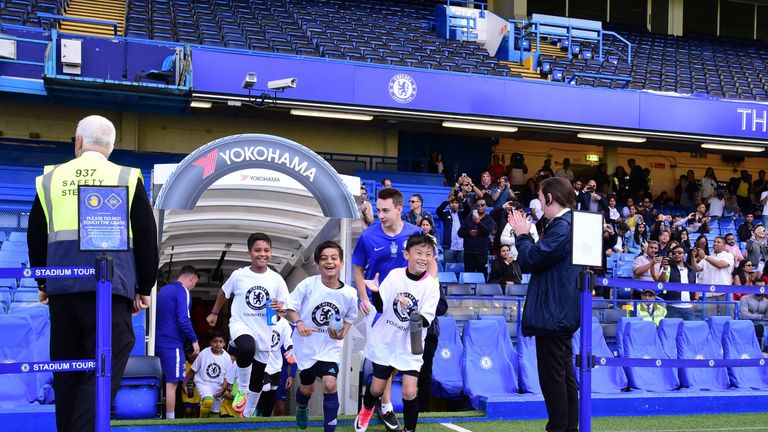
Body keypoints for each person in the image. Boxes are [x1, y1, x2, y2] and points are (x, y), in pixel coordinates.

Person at [26, 115, 159, 432]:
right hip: (109, 289)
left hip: (62, 288)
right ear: (110, 147)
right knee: (105, 362)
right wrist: (144, 287)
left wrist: (43, 282)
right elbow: (144, 233)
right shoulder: (125, 176)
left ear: (79, 141)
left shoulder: (51, 178)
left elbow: (35, 232)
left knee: (67, 370)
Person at [352, 187, 430, 432]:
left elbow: (430, 263)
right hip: (379, 303)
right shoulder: (368, 236)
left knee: (402, 359)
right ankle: (385, 407)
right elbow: (357, 267)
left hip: (410, 306)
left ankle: (385, 407)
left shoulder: (415, 233)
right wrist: (365, 296)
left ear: (399, 209)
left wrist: (429, 287)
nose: (381, 214)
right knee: (382, 362)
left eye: (386, 210)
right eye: (378, 210)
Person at [507, 176, 580, 432]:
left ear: (549, 198)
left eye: (539, 197)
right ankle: (568, 427)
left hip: (554, 312)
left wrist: (523, 235)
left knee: (553, 377)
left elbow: (532, 259)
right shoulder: (569, 224)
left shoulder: (563, 226)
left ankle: (559, 427)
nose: (537, 203)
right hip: (560, 310)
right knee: (564, 375)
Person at [206, 233, 289, 417]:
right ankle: (242, 389)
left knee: (258, 377)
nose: (262, 254)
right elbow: (223, 292)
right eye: (257, 250)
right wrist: (214, 312)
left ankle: (248, 412)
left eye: (266, 250)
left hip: (264, 331)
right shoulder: (239, 275)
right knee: (246, 348)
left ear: (271, 253)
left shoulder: (276, 279)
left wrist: (280, 308)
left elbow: (285, 307)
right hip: (241, 324)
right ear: (249, 253)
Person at [287, 241, 358, 431]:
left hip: (330, 348)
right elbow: (290, 306)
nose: (329, 262)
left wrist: (343, 333)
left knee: (329, 383)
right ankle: (302, 407)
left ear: (341, 263)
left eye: (334, 258)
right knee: (307, 389)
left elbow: (351, 317)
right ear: (317, 264)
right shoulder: (308, 285)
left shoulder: (350, 293)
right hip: (307, 346)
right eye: (324, 258)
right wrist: (299, 323)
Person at [155, 266, 201, 419]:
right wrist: (194, 340)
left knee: (160, 382)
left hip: (157, 341)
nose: (193, 287)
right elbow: (183, 319)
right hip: (172, 343)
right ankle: (170, 420)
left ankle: (158, 416)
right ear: (192, 278)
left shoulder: (163, 290)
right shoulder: (183, 291)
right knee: (172, 383)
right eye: (195, 284)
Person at [184, 331, 232, 418]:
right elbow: (192, 370)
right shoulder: (204, 353)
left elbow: (227, 377)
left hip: (218, 386)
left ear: (224, 343)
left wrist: (224, 389)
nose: (218, 344)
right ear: (210, 343)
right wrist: (184, 383)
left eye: (220, 341)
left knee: (215, 413)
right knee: (208, 401)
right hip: (203, 383)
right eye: (215, 341)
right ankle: (202, 422)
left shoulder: (227, 357)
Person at [691, 236, 734, 317]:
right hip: (708, 293)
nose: (715, 244)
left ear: (724, 245)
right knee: (709, 319)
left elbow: (720, 264)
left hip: (724, 292)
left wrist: (705, 257)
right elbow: (697, 268)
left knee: (727, 318)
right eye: (714, 242)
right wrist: (693, 257)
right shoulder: (708, 257)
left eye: (718, 242)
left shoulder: (728, 255)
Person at [458, 197, 496, 279]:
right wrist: (469, 233)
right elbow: (459, 233)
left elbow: (487, 232)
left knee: (482, 277)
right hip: (468, 253)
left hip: (482, 253)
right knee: (468, 277)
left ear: (486, 206)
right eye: (478, 205)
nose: (480, 207)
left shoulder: (489, 219)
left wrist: (478, 222)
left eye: (482, 205)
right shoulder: (468, 218)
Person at [658, 244, 699, 321]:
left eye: (679, 253)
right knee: (672, 330)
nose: (676, 255)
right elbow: (660, 283)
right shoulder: (667, 267)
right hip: (672, 306)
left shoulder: (691, 270)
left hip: (689, 307)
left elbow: (695, 285)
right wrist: (664, 269)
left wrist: (695, 300)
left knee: (689, 331)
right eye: (674, 253)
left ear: (684, 255)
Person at [435, 195, 470, 265]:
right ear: (449, 204)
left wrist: (462, 199)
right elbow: (438, 211)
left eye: (456, 203)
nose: (454, 204)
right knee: (448, 268)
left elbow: (468, 209)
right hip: (449, 247)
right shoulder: (445, 214)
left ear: (458, 204)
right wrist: (447, 201)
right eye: (452, 203)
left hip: (461, 246)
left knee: (461, 269)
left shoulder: (462, 214)